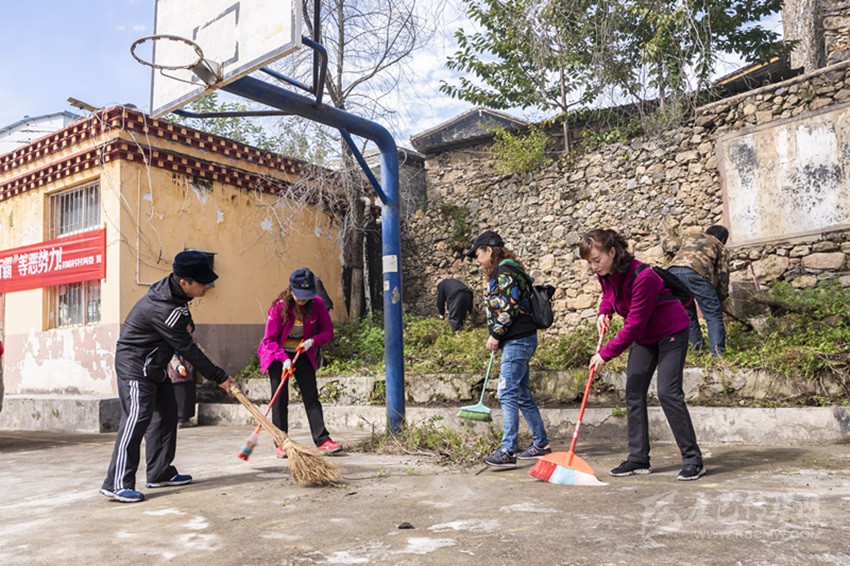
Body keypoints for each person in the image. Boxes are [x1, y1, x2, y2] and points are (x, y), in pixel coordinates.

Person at [100, 251, 236, 503]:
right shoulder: (162, 307)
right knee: (137, 418)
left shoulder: (175, 294)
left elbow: (184, 327)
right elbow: (188, 349)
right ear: (185, 282)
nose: (207, 286)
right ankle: (116, 483)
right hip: (136, 366)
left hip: (155, 364)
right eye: (203, 283)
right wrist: (220, 377)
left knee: (166, 413)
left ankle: (159, 472)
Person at [579, 229, 705, 481]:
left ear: (612, 252)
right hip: (645, 337)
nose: (593, 267)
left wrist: (605, 354)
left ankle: (693, 460)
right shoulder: (605, 274)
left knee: (668, 393)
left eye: (597, 260)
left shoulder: (643, 277)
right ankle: (638, 458)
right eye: (589, 262)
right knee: (634, 392)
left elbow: (634, 325)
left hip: (670, 332)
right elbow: (609, 295)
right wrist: (604, 312)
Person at [465, 231, 551, 468]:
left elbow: (508, 307)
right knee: (521, 394)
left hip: (517, 340)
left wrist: (496, 335)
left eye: (478, 254)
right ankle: (541, 444)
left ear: (489, 250)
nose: (477, 260)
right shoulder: (508, 270)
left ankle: (508, 451)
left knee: (506, 392)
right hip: (519, 340)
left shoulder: (505, 272)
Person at [258, 267, 342, 457]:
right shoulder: (278, 307)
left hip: (302, 352)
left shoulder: (317, 304)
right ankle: (282, 442)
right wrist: (284, 360)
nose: (303, 300)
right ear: (291, 290)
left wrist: (312, 341)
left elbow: (328, 331)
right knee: (280, 398)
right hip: (277, 354)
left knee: (311, 395)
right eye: (299, 296)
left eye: (307, 296)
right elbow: (269, 340)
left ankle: (323, 440)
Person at [664, 225, 730, 356]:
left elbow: (673, 247)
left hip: (672, 272)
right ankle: (718, 354)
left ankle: (697, 351)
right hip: (695, 272)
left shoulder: (691, 237)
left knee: (688, 314)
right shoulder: (719, 245)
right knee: (713, 314)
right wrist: (721, 298)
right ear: (723, 239)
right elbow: (723, 275)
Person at [167, 347, 198, 429]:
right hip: (180, 373)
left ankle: (182, 419)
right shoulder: (175, 344)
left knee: (185, 397)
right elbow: (173, 357)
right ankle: (183, 420)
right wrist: (179, 367)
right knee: (182, 398)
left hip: (186, 374)